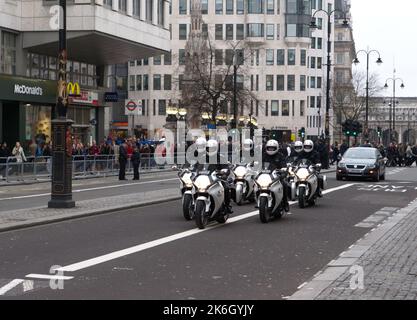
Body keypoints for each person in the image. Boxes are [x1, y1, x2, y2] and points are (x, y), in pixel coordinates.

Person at [262, 139, 290, 210]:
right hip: (265, 175)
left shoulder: (280, 155)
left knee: (284, 185)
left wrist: (283, 169)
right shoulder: (264, 155)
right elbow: (259, 163)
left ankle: (285, 202)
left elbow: (284, 165)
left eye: (272, 148)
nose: (271, 149)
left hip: (277, 176)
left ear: (276, 148)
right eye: (269, 148)